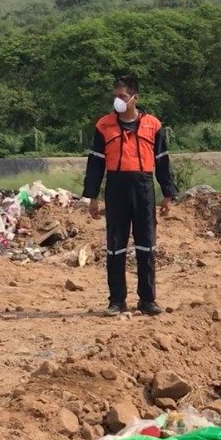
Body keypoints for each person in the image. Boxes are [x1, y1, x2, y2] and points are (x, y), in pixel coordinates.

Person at [83, 75, 177, 317]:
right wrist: (92, 196)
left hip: (144, 187)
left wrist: (167, 193)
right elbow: (95, 163)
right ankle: (117, 300)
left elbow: (162, 161)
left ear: (135, 98)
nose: (118, 100)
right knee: (116, 246)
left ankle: (147, 300)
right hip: (116, 187)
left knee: (146, 244)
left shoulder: (153, 125)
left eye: (122, 96)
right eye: (115, 96)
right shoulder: (104, 125)